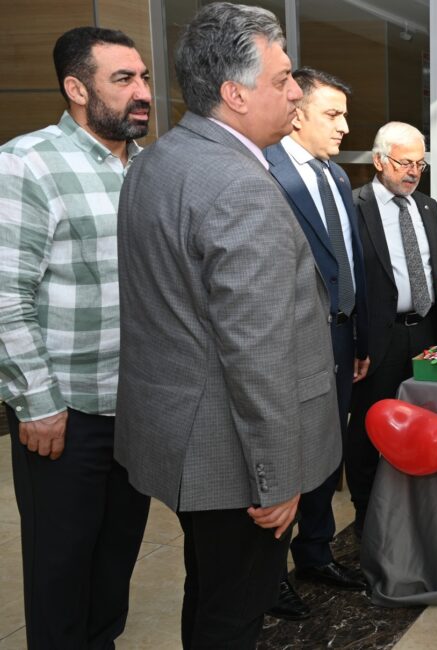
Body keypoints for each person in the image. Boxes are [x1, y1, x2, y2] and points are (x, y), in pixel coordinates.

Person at [113, 3, 342, 647]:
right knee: (233, 615)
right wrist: (276, 481)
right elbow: (255, 352)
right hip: (236, 462)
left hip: (182, 441)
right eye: (283, 79)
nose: (296, 91)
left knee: (209, 595)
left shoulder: (155, 161)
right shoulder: (239, 186)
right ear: (234, 94)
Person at [0, 26, 152, 648]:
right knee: (61, 576)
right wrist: (37, 402)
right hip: (64, 418)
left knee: (113, 571)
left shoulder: (150, 166)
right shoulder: (27, 162)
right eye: (124, 79)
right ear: (76, 88)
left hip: (138, 411)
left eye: (143, 77)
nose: (142, 92)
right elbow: (8, 296)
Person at [264, 66, 370, 619]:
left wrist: (359, 334)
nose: (345, 126)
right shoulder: (267, 172)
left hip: (341, 336)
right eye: (333, 114)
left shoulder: (334, 176)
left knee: (329, 454)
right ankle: (268, 573)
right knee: (288, 456)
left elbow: (351, 262)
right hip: (292, 343)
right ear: (297, 112)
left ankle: (315, 551)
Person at [347, 121, 437, 536]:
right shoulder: (354, 208)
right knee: (371, 430)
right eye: (405, 162)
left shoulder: (428, 207)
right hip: (377, 340)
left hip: (424, 333)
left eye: (420, 164)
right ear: (378, 160)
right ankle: (367, 519)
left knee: (424, 425)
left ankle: (415, 517)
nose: (414, 172)